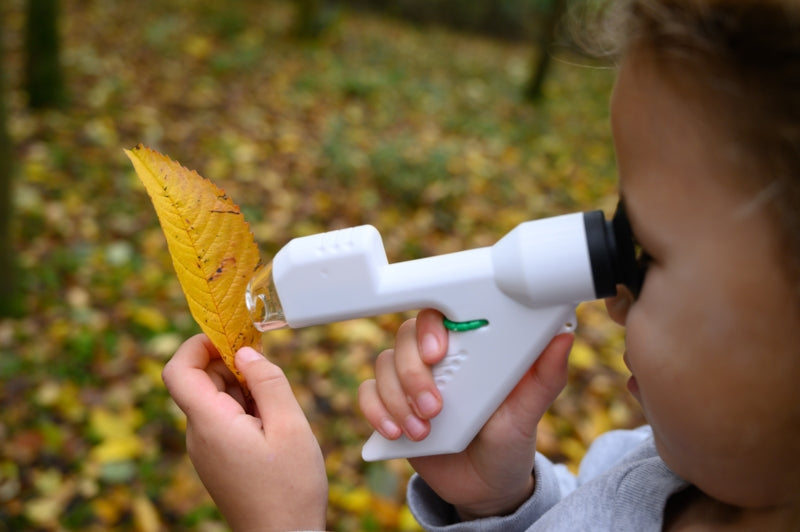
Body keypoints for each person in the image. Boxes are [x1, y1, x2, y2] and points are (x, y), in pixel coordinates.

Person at [161, 0, 800, 529]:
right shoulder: (640, 465)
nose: (612, 296)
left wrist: (282, 523)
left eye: (649, 253)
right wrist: (500, 501)